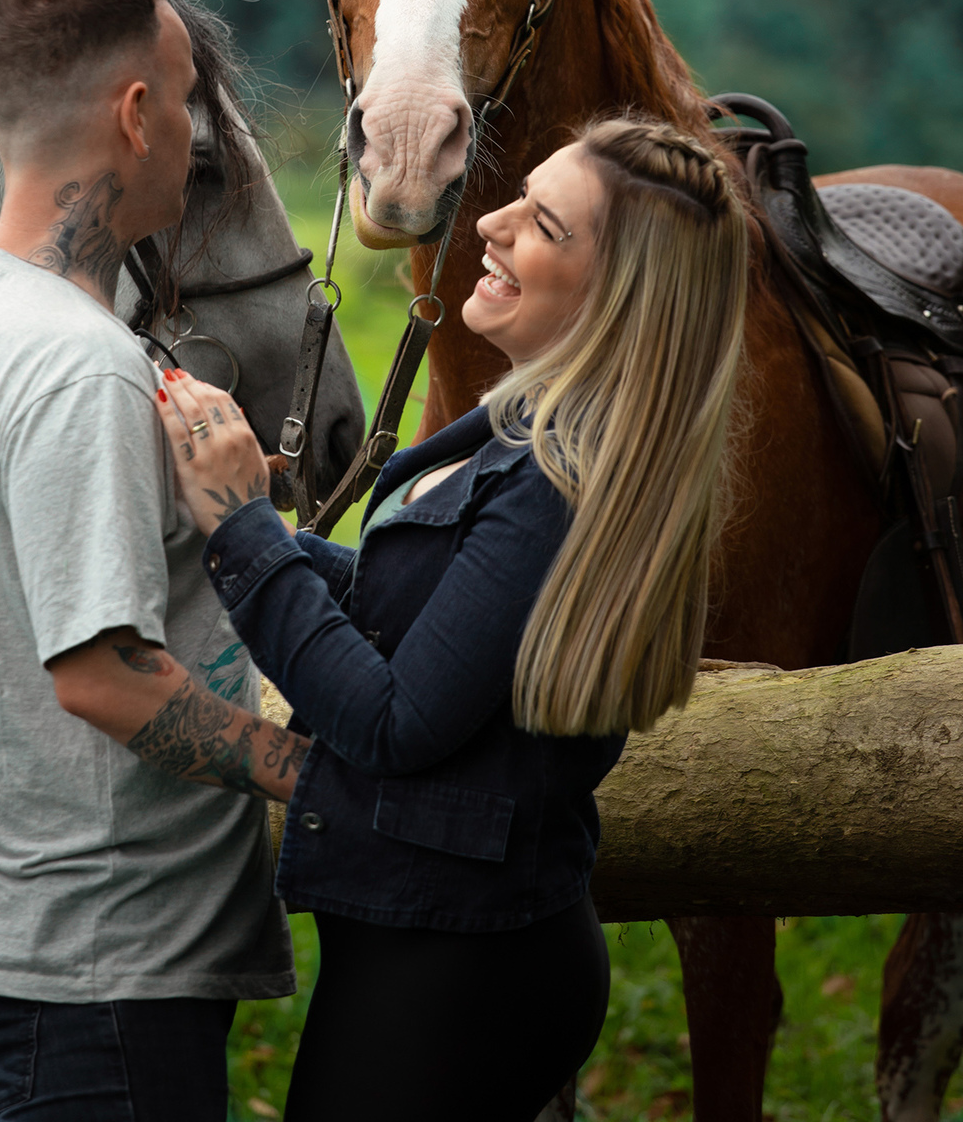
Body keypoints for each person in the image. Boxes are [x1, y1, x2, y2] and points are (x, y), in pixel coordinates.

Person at [156, 115, 750, 1122]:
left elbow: (394, 720)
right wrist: (243, 532)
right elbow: (422, 610)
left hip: (459, 971)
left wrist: (246, 531)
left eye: (543, 226)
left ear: (618, 296)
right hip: (439, 948)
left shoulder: (557, 478)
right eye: (519, 197)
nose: (492, 224)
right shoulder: (527, 428)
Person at [0, 0, 310, 1122]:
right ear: (137, 116)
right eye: (188, 100)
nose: (196, 133)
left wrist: (224, 504)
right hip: (104, 982)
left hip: (53, 966)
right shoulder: (79, 367)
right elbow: (102, 677)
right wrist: (317, 777)